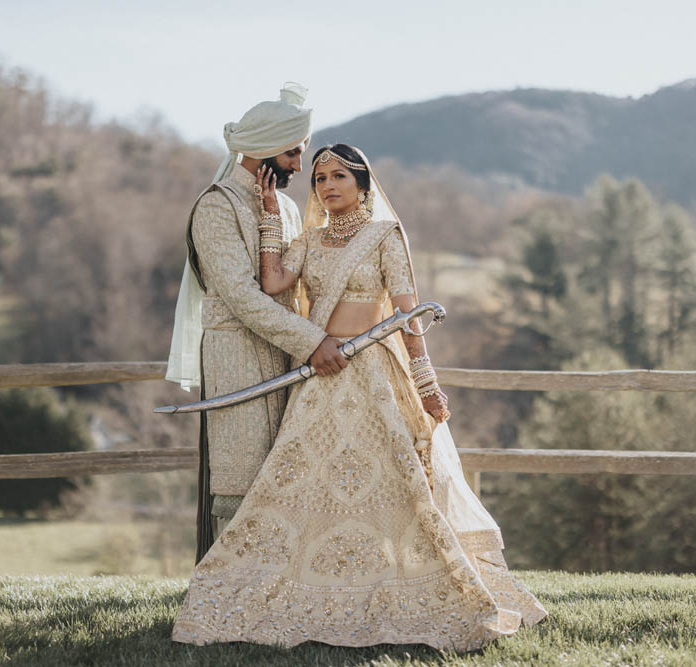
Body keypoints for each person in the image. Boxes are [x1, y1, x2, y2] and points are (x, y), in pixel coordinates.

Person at [171, 144, 547, 651]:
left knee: (395, 490)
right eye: (320, 177)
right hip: (321, 379)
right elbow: (272, 281)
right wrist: (265, 220)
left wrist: (426, 381)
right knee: (298, 488)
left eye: (339, 177)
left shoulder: (384, 236)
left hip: (373, 378)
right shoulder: (311, 240)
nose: (327, 186)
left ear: (363, 184)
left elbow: (409, 317)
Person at [165, 84, 349, 562]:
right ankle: (226, 593)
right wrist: (313, 341)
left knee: (287, 476)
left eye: (301, 152)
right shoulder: (216, 206)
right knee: (240, 478)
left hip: (289, 359)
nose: (298, 165)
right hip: (238, 360)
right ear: (265, 150)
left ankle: (281, 590)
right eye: (292, 153)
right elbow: (244, 299)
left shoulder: (285, 209)